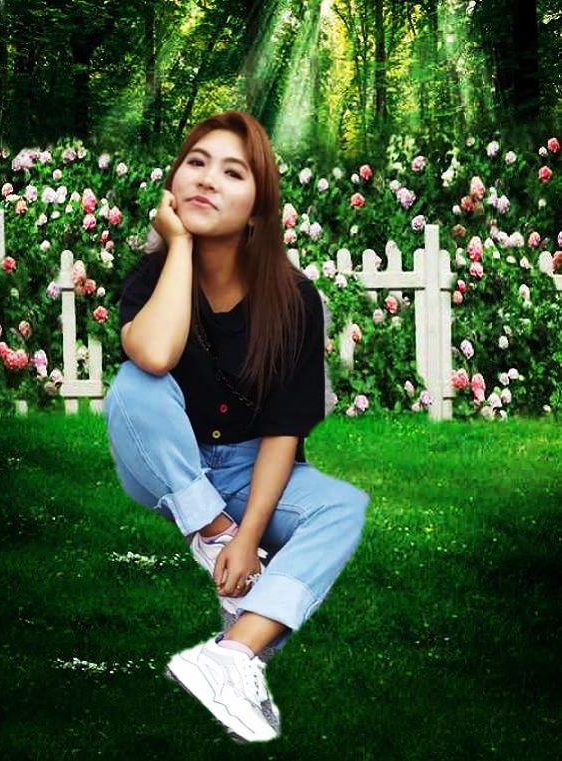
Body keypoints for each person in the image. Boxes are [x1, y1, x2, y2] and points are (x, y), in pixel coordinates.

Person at [102, 110, 370, 744]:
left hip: (253, 466)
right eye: (195, 163)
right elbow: (155, 355)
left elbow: (284, 431)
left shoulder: (294, 299)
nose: (207, 180)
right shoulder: (151, 278)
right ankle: (207, 531)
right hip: (169, 464)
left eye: (232, 172)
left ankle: (231, 655)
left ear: (256, 209)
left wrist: (250, 537)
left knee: (343, 508)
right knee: (134, 383)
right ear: (173, 183)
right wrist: (180, 246)